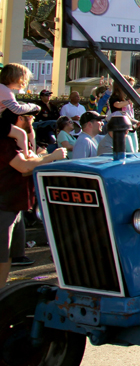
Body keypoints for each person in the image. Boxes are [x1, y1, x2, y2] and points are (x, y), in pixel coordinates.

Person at [1, 109, 67, 288]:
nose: (33, 120)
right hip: (3, 206)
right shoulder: (5, 143)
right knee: (1, 254)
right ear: (20, 118)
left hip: (15, 206)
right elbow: (23, 167)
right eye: (30, 117)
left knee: (8, 255)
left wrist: (43, 158)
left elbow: (27, 168)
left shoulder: (15, 142)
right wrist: (51, 157)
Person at [0, 63, 40, 156]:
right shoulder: (5, 91)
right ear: (14, 77)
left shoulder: (3, 89)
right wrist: (33, 106)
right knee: (21, 134)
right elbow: (17, 109)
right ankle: (26, 158)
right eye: (23, 78)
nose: (25, 82)